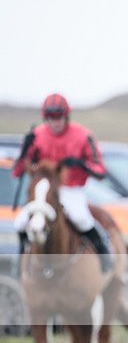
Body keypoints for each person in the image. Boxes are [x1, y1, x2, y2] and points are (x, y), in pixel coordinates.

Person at [12, 93, 113, 271]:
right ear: (46, 118)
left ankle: (104, 253)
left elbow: (101, 171)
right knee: (20, 222)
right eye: (51, 118)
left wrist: (82, 165)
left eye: (59, 117)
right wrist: (23, 152)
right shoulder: (36, 136)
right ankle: (20, 260)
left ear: (66, 116)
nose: (55, 122)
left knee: (81, 218)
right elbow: (17, 172)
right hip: (45, 192)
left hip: (70, 190)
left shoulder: (83, 136)